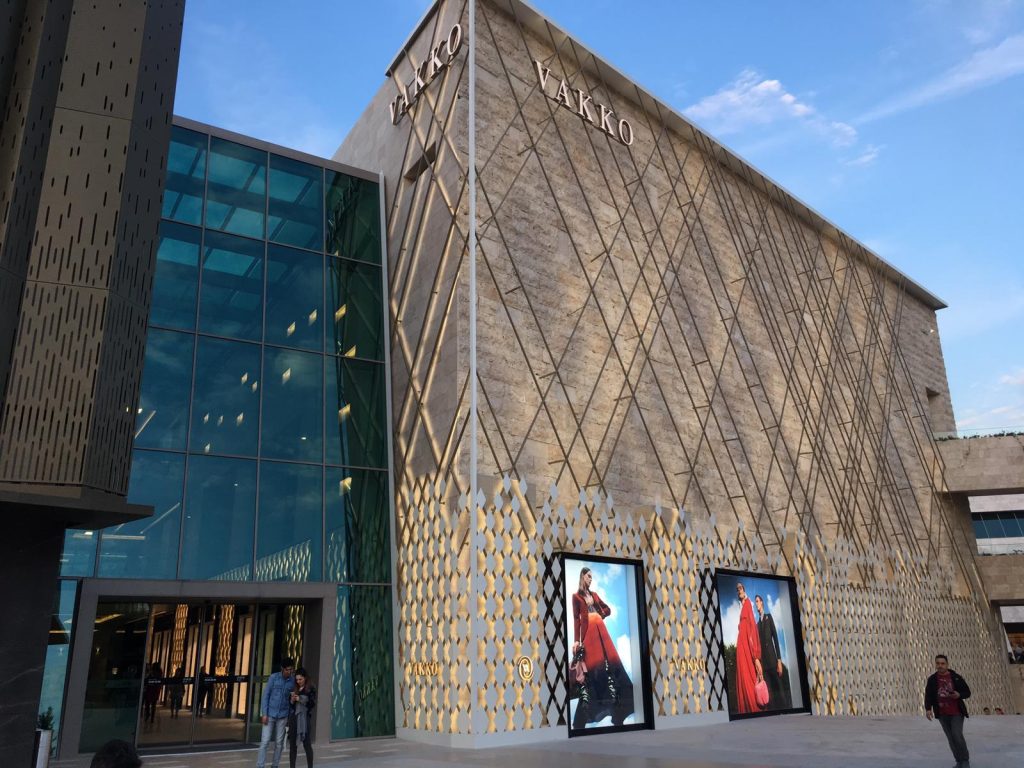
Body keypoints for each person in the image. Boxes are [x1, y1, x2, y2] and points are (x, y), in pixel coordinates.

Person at [570, 567, 634, 728]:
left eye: (592, 577)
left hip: (601, 632)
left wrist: (600, 615)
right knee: (593, 672)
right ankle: (581, 721)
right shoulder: (576, 597)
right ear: (582, 576)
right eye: (588, 576)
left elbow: (608, 610)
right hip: (588, 635)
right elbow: (576, 620)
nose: (591, 579)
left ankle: (619, 712)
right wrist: (576, 641)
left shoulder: (595, 595)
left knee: (610, 666)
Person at [924, 654, 972, 768]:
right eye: (938, 663)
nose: (940, 666)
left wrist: (959, 694)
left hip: (956, 712)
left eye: (942, 663)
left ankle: (965, 760)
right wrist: (928, 709)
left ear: (947, 664)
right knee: (951, 738)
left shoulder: (956, 677)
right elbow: (928, 695)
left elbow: (967, 692)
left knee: (957, 735)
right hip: (942, 713)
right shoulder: (932, 679)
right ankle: (958, 761)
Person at [257, 657, 296, 768]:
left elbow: (292, 701)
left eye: (291, 669)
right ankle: (260, 765)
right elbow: (266, 696)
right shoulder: (273, 678)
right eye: (287, 669)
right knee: (265, 741)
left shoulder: (292, 681)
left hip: (283, 716)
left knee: (279, 743)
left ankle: (275, 765)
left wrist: (289, 715)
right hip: (270, 714)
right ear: (282, 669)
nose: (289, 672)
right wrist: (264, 713)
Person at [754, 595, 791, 710]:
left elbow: (775, 639)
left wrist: (779, 660)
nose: (756, 604)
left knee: (780, 690)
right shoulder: (757, 625)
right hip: (764, 666)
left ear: (762, 602)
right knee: (770, 697)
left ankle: (786, 711)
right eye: (755, 602)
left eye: (757, 601)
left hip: (773, 662)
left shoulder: (768, 617)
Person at [733, 582, 762, 714]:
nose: (739, 590)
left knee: (750, 676)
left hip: (747, 645)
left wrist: (756, 656)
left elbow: (752, 629)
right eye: (737, 589)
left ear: (744, 590)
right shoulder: (741, 606)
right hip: (741, 645)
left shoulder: (749, 603)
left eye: (740, 588)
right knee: (743, 677)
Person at [288, 668, 317, 768]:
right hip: (294, 718)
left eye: (300, 679)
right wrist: (292, 700)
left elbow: (312, 704)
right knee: (292, 746)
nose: (298, 681)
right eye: (297, 679)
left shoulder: (310, 689)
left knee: (307, 744)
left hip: (305, 718)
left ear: (305, 678)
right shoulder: (294, 688)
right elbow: (291, 706)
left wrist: (300, 699)